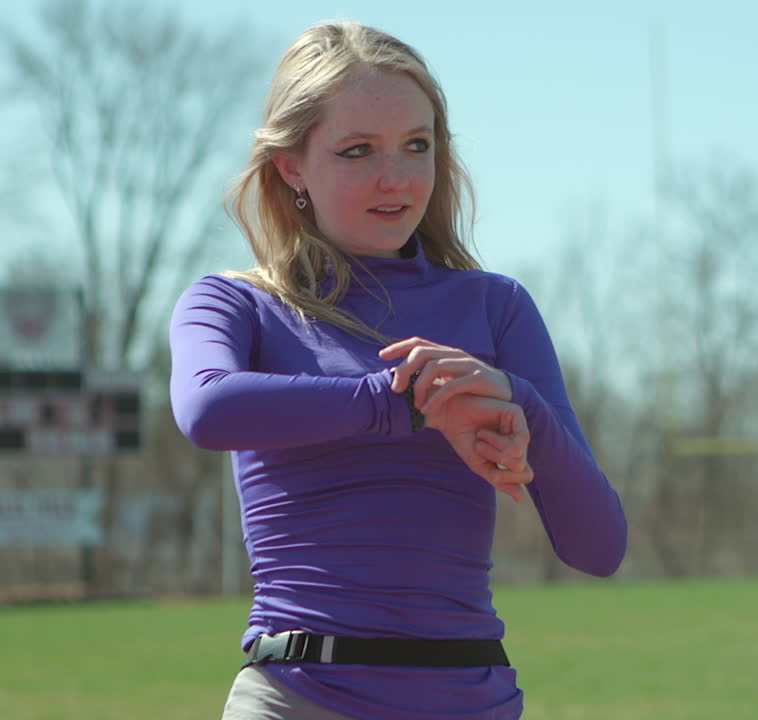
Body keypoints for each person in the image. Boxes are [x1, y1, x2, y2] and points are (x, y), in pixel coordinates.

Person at [168, 21, 627, 720]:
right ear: (291, 165)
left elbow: (599, 547)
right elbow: (207, 410)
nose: (397, 178)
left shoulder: (496, 308)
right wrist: (406, 402)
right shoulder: (237, 303)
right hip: (296, 697)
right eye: (358, 152)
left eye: (418, 146)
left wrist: (520, 406)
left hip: (470, 699)